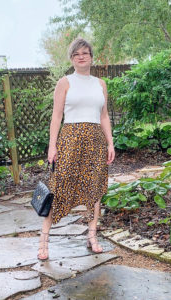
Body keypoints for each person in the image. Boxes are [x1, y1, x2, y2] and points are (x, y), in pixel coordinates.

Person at [38, 38, 115, 260]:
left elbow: (104, 115)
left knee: (95, 190)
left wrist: (110, 142)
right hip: (69, 141)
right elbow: (57, 116)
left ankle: (92, 237)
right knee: (59, 188)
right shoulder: (65, 82)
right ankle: (43, 241)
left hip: (95, 143)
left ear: (91, 56)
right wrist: (52, 146)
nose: (81, 56)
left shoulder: (100, 84)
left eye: (85, 53)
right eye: (76, 54)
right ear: (72, 59)